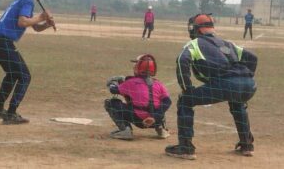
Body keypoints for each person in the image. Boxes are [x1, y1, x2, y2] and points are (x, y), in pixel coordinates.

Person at [165, 14, 258, 160]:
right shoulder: (227, 43)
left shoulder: (195, 44)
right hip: (250, 85)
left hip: (226, 84)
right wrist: (247, 77)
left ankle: (185, 147)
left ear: (198, 29)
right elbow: (252, 57)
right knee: (237, 102)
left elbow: (182, 60)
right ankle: (246, 144)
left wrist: (186, 88)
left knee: (185, 100)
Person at [0, 0, 55, 125]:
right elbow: (22, 22)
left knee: (13, 74)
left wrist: (46, 23)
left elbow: (35, 27)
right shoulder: (27, 1)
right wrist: (41, 16)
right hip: (1, 41)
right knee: (25, 76)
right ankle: (11, 113)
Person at [104, 54, 171, 140]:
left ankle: (125, 130)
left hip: (137, 119)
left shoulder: (131, 82)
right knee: (160, 105)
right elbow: (168, 102)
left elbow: (113, 90)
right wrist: (154, 117)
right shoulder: (159, 84)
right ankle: (161, 129)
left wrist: (113, 83)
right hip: (155, 121)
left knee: (111, 103)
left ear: (138, 67)